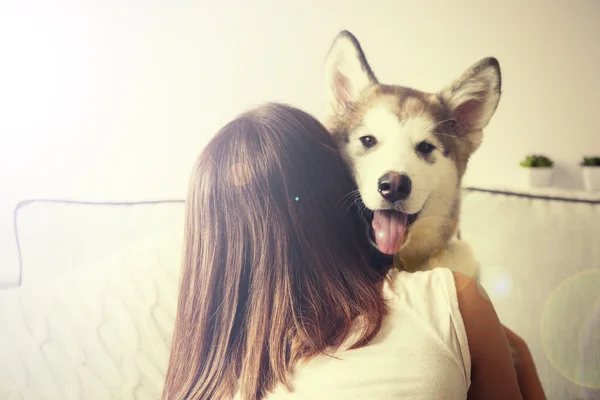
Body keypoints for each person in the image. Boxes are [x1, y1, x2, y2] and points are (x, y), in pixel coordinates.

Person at [162, 102, 544, 400]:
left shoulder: (202, 371)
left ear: (205, 248)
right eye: (368, 143)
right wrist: (520, 356)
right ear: (336, 184)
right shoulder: (454, 301)